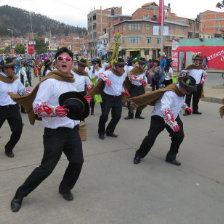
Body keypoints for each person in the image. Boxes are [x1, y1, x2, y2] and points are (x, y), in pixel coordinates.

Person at [10, 47, 89, 212]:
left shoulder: (74, 80)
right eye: (60, 58)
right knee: (46, 168)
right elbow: (37, 107)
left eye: (67, 59)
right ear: (55, 62)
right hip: (55, 133)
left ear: (72, 63)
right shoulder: (49, 81)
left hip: (72, 130)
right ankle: (19, 194)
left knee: (77, 161)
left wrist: (84, 103)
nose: (64, 61)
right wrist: (54, 110)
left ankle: (65, 188)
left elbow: (76, 102)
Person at [130, 75, 196, 166]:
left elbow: (180, 101)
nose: (188, 92)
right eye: (187, 90)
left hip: (173, 115)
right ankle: (139, 155)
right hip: (159, 116)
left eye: (190, 90)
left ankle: (171, 157)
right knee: (151, 137)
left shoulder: (182, 92)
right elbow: (165, 109)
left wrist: (186, 107)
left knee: (179, 136)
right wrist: (173, 123)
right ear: (181, 86)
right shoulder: (170, 93)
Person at [88, 58, 129, 140]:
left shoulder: (124, 74)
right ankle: (101, 132)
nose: (122, 68)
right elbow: (101, 75)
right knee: (104, 115)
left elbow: (121, 85)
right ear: (115, 66)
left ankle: (109, 131)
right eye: (120, 66)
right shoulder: (109, 72)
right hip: (108, 97)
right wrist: (106, 79)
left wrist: (123, 91)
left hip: (118, 97)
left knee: (117, 116)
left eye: (123, 66)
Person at [0, 58, 27, 158]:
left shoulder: (16, 80)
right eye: (12, 67)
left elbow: (22, 91)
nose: (14, 69)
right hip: (1, 109)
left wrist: (29, 94)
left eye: (14, 67)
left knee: (18, 130)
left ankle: (9, 148)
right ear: (5, 69)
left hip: (13, 108)